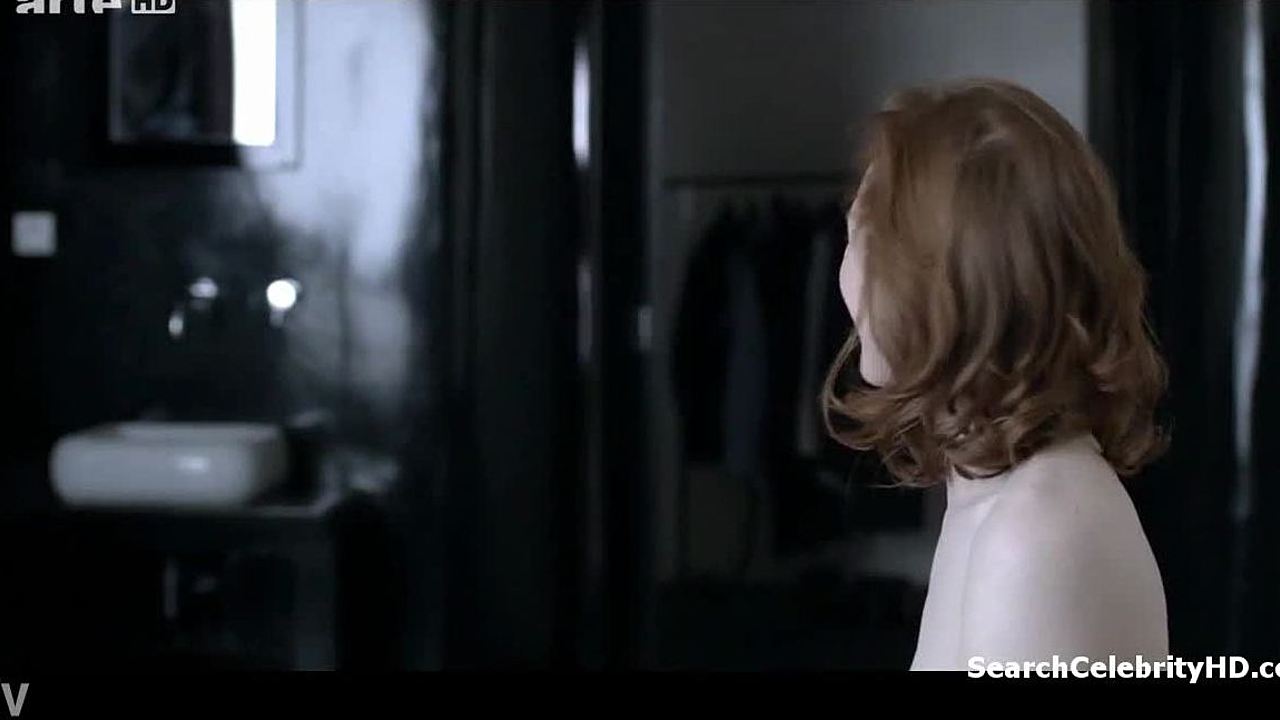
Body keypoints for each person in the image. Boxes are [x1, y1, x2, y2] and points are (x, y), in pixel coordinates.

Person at [823, 79, 1170, 670]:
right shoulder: (992, 497)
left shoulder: (1035, 536)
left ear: (950, 279)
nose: (848, 270)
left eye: (862, 236)